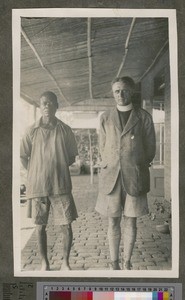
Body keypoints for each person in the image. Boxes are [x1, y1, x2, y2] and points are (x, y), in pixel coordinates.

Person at [95, 77, 156, 270]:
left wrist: (134, 162)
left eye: (123, 90)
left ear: (131, 92)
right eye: (116, 91)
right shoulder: (105, 117)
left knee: (131, 220)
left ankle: (127, 261)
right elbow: (102, 147)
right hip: (111, 177)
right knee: (113, 220)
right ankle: (114, 263)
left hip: (134, 176)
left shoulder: (143, 116)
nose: (120, 95)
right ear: (112, 93)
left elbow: (150, 148)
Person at [20, 91, 78, 271]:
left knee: (66, 225)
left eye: (51, 103)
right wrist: (36, 171)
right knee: (39, 226)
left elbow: (71, 157)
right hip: (38, 187)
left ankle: (65, 262)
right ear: (39, 106)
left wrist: (55, 167)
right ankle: (44, 262)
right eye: (44, 103)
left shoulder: (65, 130)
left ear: (56, 106)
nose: (47, 106)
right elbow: (23, 156)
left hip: (60, 184)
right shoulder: (31, 130)